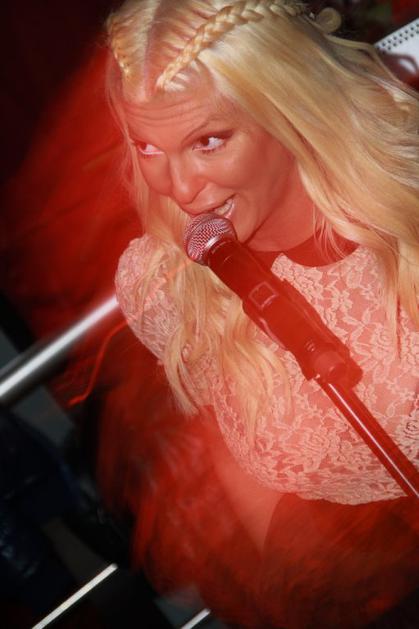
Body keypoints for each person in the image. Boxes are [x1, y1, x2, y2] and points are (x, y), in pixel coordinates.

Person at [103, 1, 419, 627]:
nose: (179, 188)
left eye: (208, 141)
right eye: (148, 146)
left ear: (288, 108)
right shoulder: (164, 282)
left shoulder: (405, 207)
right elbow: (241, 459)